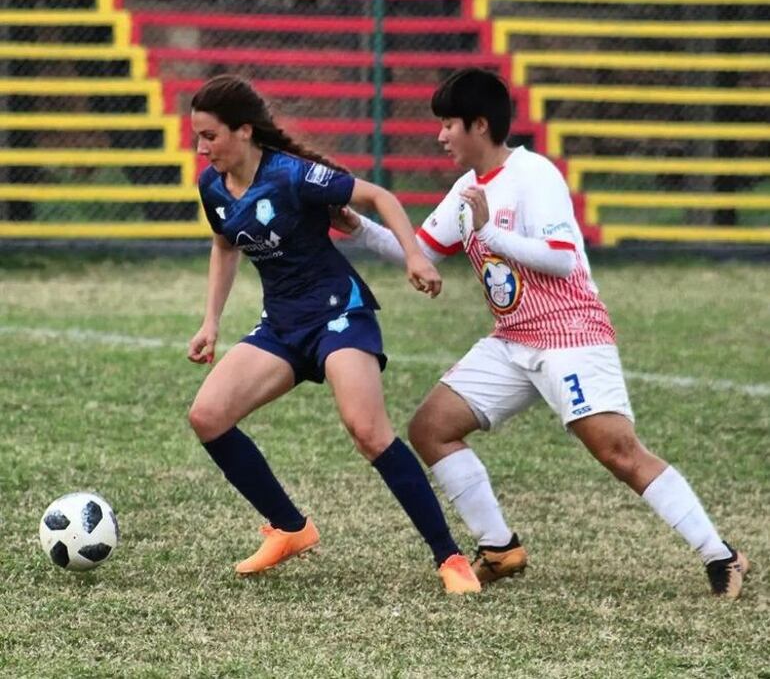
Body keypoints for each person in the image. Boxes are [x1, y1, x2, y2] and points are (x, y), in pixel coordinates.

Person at [333, 67, 749, 599]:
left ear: (479, 125)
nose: (440, 136)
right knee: (431, 428)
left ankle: (722, 554)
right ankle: (500, 547)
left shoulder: (534, 176)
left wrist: (490, 234)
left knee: (617, 450)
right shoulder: (467, 188)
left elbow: (560, 259)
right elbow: (422, 251)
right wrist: (361, 228)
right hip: (513, 337)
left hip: (570, 334)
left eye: (448, 124)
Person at [185, 74, 480, 594]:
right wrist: (211, 321)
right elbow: (225, 245)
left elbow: (379, 196)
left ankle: (450, 558)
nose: (202, 147)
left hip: (339, 314)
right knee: (207, 416)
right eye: (197, 137)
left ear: (244, 131)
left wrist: (413, 255)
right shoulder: (213, 187)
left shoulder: (293, 175)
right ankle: (291, 529)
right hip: (282, 326)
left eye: (210, 136)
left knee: (367, 430)